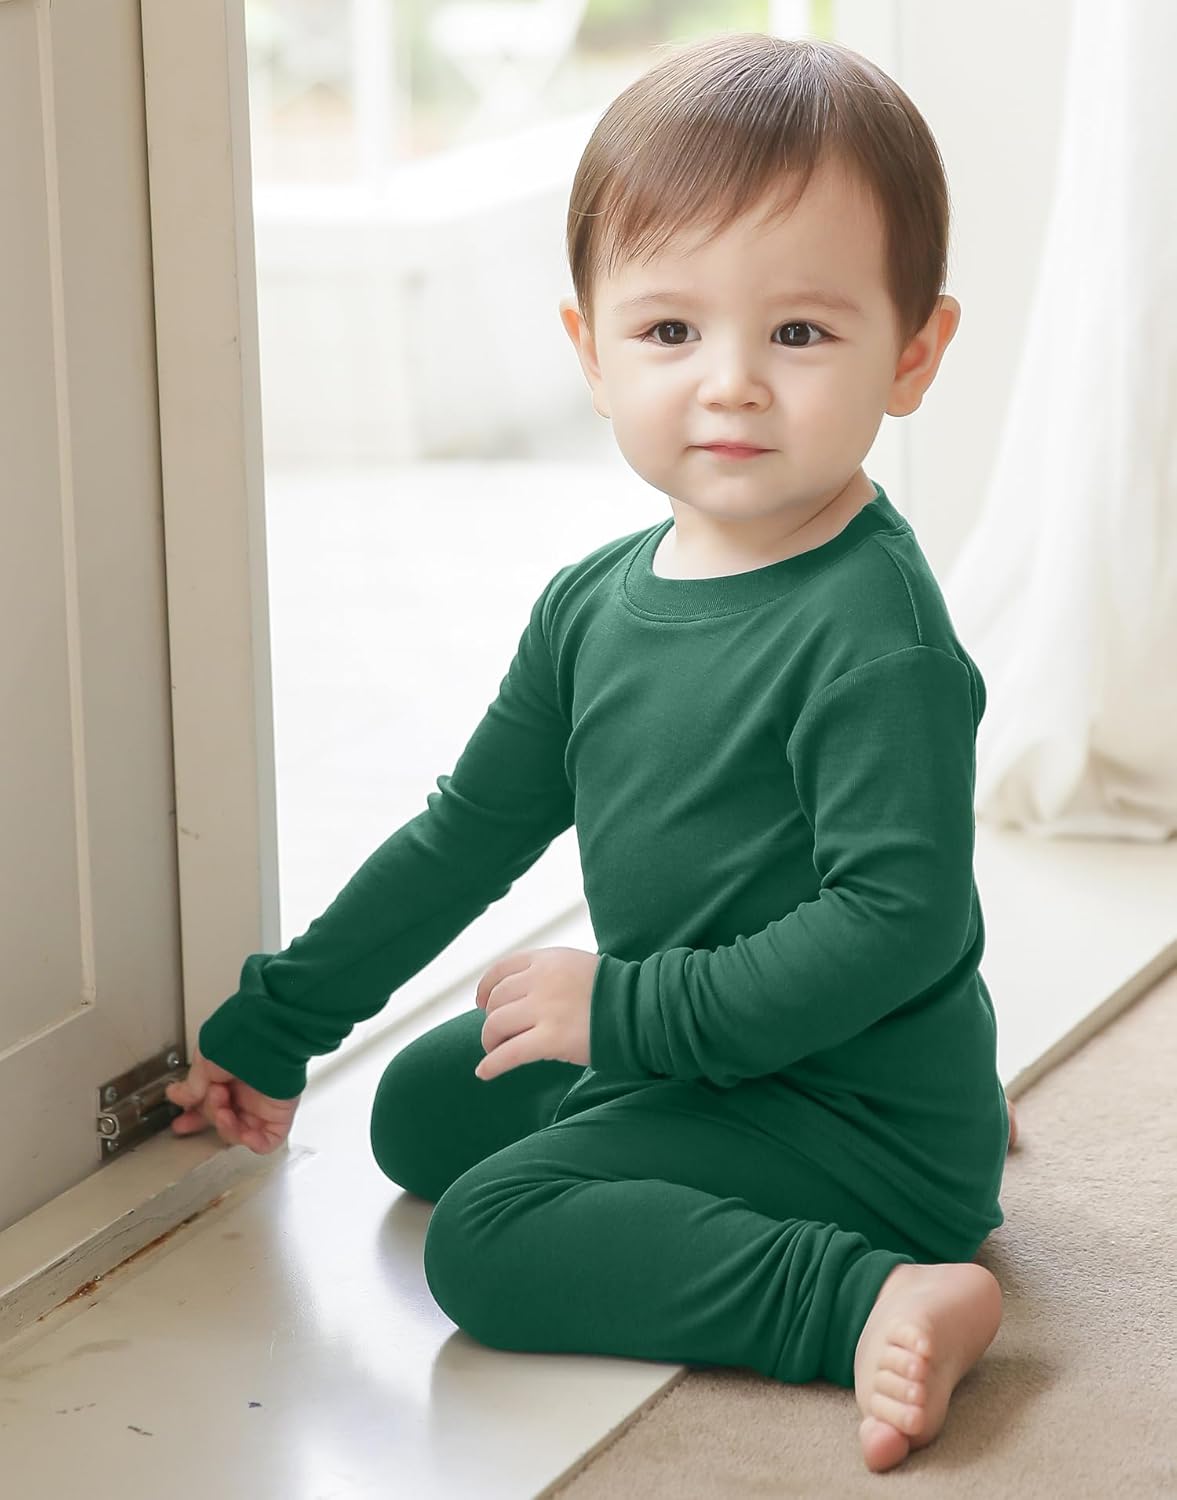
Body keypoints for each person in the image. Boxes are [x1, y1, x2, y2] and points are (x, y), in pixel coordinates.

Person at [167, 33, 1017, 1475]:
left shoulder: (876, 637)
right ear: (590, 350)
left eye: (799, 335)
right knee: (423, 1109)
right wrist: (281, 1019)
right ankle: (718, 1146)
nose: (732, 384)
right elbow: (465, 836)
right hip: (696, 1057)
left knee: (488, 1240)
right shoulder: (591, 606)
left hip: (850, 1114)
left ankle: (869, 1290)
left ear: (913, 354)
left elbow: (897, 924)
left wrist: (620, 1011)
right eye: (671, 331)